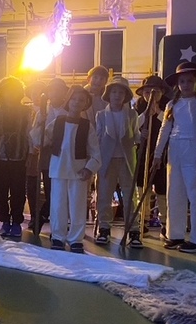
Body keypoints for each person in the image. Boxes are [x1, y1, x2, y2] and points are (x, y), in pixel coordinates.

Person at [151, 59, 196, 253]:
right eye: (182, 81)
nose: (186, 85)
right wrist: (157, 154)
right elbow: (164, 130)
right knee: (174, 194)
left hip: (195, 151)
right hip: (175, 152)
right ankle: (175, 234)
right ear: (177, 84)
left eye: (190, 81)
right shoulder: (172, 104)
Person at [48, 85, 100, 253]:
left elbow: (95, 151)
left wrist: (89, 168)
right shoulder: (57, 122)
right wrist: (39, 122)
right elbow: (41, 137)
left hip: (78, 171)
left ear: (86, 103)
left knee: (78, 206)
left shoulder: (87, 126)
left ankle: (76, 239)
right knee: (57, 205)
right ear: (68, 100)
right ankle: (58, 236)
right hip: (58, 169)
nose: (77, 102)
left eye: (81, 100)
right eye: (74, 99)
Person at [95, 76, 142, 248]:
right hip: (106, 161)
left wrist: (141, 137)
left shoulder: (131, 114)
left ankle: (134, 230)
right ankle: (104, 228)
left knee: (130, 196)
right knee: (104, 195)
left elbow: (136, 135)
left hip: (126, 160)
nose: (117, 95)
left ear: (125, 96)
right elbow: (97, 138)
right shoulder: (101, 115)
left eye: (121, 92)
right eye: (114, 92)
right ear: (109, 94)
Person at [0, 76, 32, 241]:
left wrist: (30, 153)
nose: (10, 94)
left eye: (13, 91)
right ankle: (5, 221)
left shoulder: (26, 111)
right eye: (7, 91)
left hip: (19, 154)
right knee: (0, 190)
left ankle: (16, 222)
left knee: (18, 191)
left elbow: (28, 132)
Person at [28, 77, 68, 231]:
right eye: (52, 90)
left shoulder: (69, 110)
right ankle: (43, 217)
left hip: (64, 156)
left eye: (59, 90)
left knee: (60, 191)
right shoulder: (42, 112)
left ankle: (47, 218)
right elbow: (35, 135)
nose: (55, 93)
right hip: (47, 156)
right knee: (50, 189)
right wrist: (41, 126)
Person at [135, 75, 170, 236]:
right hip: (143, 153)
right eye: (147, 92)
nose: (151, 95)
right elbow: (133, 127)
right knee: (143, 189)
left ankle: (165, 223)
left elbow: (170, 125)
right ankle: (143, 221)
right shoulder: (138, 107)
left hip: (162, 154)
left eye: (155, 92)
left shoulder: (168, 106)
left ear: (162, 92)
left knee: (162, 190)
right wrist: (146, 114)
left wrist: (158, 112)